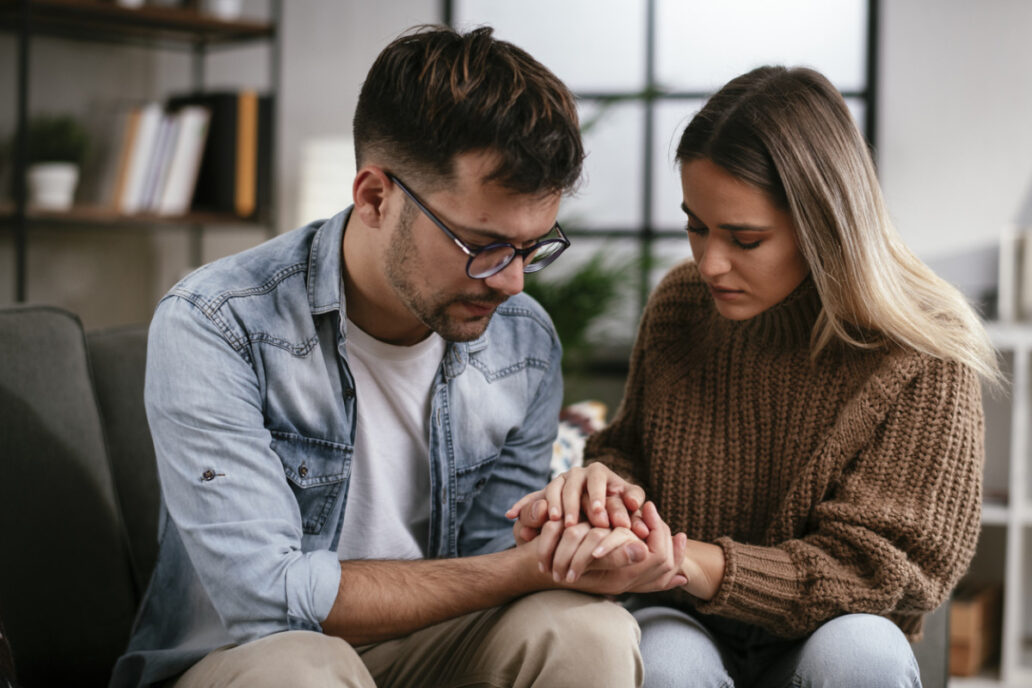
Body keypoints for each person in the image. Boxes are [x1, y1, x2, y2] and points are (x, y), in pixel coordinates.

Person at [110, 25, 689, 688]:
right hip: (245, 661)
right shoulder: (218, 323)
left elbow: (493, 560)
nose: (512, 282)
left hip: (426, 648)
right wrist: (522, 567)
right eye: (485, 244)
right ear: (375, 196)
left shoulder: (523, 342)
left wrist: (578, 546)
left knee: (587, 631)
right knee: (306, 667)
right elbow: (267, 597)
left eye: (532, 248)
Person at [511, 65, 998, 687]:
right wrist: (608, 489)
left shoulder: (922, 352)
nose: (710, 262)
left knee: (860, 657)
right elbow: (631, 452)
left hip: (832, 628)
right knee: (663, 664)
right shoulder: (682, 305)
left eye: (745, 238)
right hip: (681, 616)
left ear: (823, 227)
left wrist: (689, 560)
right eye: (696, 225)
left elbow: (880, 572)